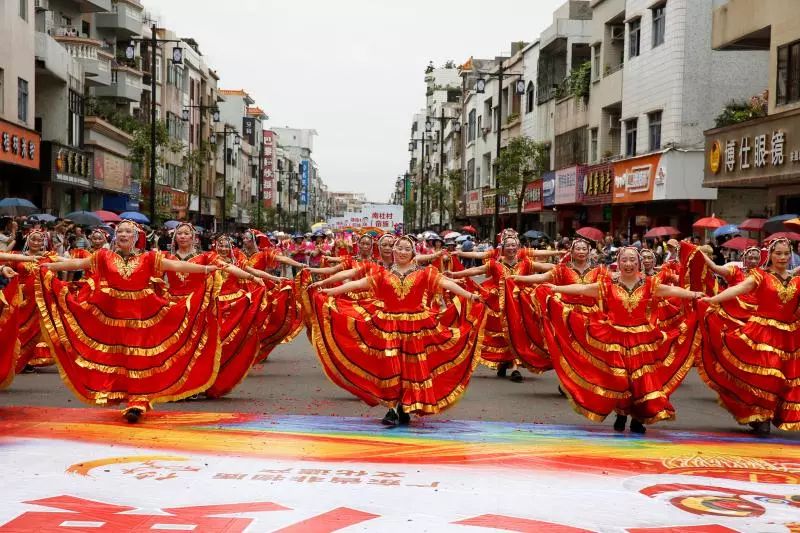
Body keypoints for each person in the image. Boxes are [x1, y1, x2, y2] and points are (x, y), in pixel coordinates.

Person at [37, 220, 223, 423]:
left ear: (136, 237)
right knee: (117, 359)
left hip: (142, 318)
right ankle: (121, 393)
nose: (124, 234)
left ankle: (138, 401)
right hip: (111, 318)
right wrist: (49, 266)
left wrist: (207, 270)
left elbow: (176, 265)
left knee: (139, 359)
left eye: (128, 232)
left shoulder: (149, 258)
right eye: (120, 231)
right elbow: (78, 264)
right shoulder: (103, 256)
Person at [306, 235, 486, 426]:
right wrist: (326, 289)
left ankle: (404, 405)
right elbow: (356, 283)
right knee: (391, 366)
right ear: (393, 251)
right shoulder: (382, 274)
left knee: (409, 368)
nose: (402, 252)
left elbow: (446, 283)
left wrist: (470, 295)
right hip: (388, 327)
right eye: (399, 248)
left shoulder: (425, 274)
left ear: (413, 253)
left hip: (416, 327)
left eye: (406, 249)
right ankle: (392, 408)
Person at [533, 247, 703, 434]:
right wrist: (556, 288)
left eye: (632, 260)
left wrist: (695, 295)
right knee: (620, 380)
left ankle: (638, 418)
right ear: (618, 263)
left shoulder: (650, 284)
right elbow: (583, 289)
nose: (628, 264)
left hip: (642, 341)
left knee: (640, 381)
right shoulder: (607, 285)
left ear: (638, 263)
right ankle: (621, 413)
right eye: (624, 260)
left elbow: (672, 290)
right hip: (615, 339)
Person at [699, 238, 800, 436]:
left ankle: (768, 414)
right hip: (763, 332)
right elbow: (738, 288)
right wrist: (713, 299)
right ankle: (761, 416)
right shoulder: (761, 276)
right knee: (767, 375)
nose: (782, 257)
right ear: (769, 255)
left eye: (786, 253)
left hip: (789, 335)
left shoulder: (797, 279)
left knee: (783, 379)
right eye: (778, 253)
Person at [448, 236, 553, 382]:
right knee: (503, 335)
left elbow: (545, 268)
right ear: (503, 247)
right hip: (498, 304)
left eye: (513, 245)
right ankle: (504, 362)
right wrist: (455, 274)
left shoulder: (526, 263)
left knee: (519, 332)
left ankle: (516, 368)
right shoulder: (494, 264)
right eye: (508, 245)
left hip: (520, 304)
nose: (511, 248)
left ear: (518, 247)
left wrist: (565, 265)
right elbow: (475, 270)